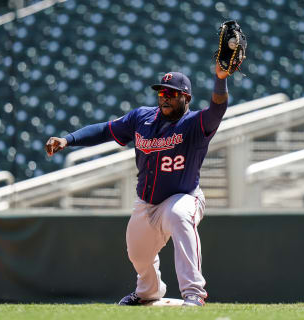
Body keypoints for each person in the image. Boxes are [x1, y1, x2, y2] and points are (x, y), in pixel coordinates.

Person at [45, 62, 230, 306]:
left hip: (183, 196)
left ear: (186, 97)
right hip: (146, 202)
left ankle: (194, 292)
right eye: (161, 92)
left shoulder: (195, 124)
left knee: (179, 215)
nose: (164, 98)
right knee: (138, 253)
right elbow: (105, 130)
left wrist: (220, 78)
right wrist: (68, 140)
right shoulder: (141, 117)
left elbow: (218, 109)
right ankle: (148, 292)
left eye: (171, 94)